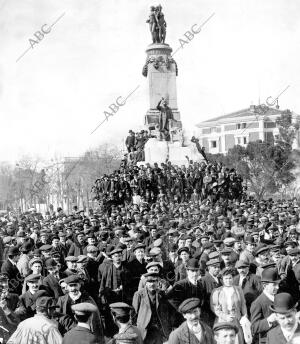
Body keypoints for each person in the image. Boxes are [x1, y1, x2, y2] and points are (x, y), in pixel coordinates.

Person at [132, 271, 172, 344]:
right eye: (149, 282)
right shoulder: (139, 294)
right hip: (144, 328)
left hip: (158, 329)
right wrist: (134, 329)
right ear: (146, 283)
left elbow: (166, 312)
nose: (152, 284)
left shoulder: (161, 294)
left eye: (154, 281)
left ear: (158, 282)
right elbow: (134, 313)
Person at [210, 267, 247, 344]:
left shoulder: (238, 289)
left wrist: (245, 316)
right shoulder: (217, 291)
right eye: (226, 278)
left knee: (237, 339)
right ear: (222, 279)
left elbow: (243, 304)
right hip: (223, 321)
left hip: (236, 320)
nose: (228, 280)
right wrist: (225, 317)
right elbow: (215, 308)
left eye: (230, 278)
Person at [250, 268, 280, 344]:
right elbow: (253, 328)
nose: (277, 287)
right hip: (267, 340)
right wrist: (268, 320)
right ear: (264, 285)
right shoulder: (257, 303)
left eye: (278, 284)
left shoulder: (279, 298)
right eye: (274, 285)